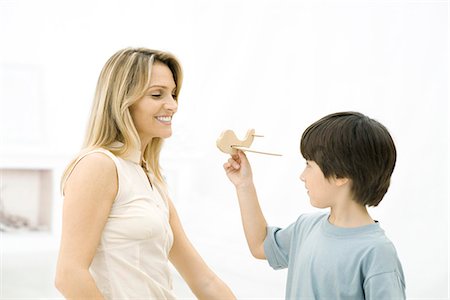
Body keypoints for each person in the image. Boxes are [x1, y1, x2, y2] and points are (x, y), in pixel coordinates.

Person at [55, 47, 236, 299]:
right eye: (157, 94)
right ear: (123, 100)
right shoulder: (99, 165)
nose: (172, 105)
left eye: (173, 94)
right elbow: (69, 275)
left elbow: (204, 280)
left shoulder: (150, 178)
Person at [223, 111, 406, 299]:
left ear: (341, 175)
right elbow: (260, 245)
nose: (302, 176)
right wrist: (244, 184)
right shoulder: (306, 228)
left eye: (309, 165)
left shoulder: (377, 254)